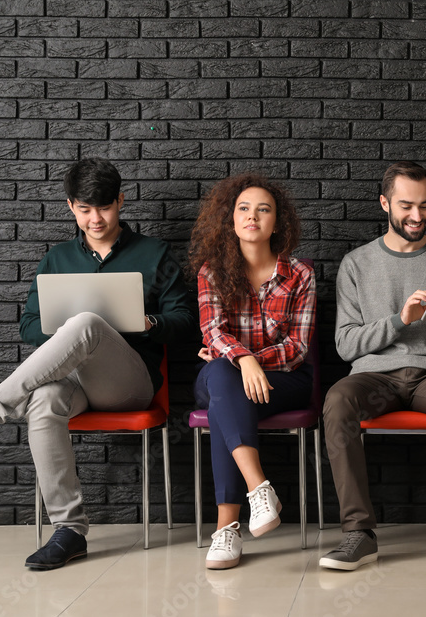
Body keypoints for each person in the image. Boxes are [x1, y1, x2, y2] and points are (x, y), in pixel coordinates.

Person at [0, 158, 196, 570]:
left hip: (129, 384)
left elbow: (186, 321)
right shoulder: (58, 258)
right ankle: (70, 530)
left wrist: (146, 322)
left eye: (104, 207)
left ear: (120, 201)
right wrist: (69, 337)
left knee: (86, 323)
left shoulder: (155, 254)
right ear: (70, 207)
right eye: (85, 209)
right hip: (74, 384)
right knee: (44, 398)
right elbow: (29, 326)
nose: (95, 219)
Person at [319, 161, 426, 573]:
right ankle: (358, 534)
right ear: (384, 203)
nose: (417, 216)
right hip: (373, 376)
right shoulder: (356, 264)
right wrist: (401, 320)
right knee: (337, 399)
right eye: (406, 206)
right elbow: (345, 345)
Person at [187, 173, 316, 571]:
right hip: (226, 376)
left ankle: (227, 529)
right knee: (226, 382)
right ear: (231, 219)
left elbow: (298, 347)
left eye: (263, 210)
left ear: (277, 222)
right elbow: (212, 331)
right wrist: (243, 361)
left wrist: (243, 358)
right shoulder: (211, 272)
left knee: (226, 393)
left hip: (286, 380)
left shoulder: (300, 274)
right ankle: (259, 488)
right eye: (243, 208)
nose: (252, 216)